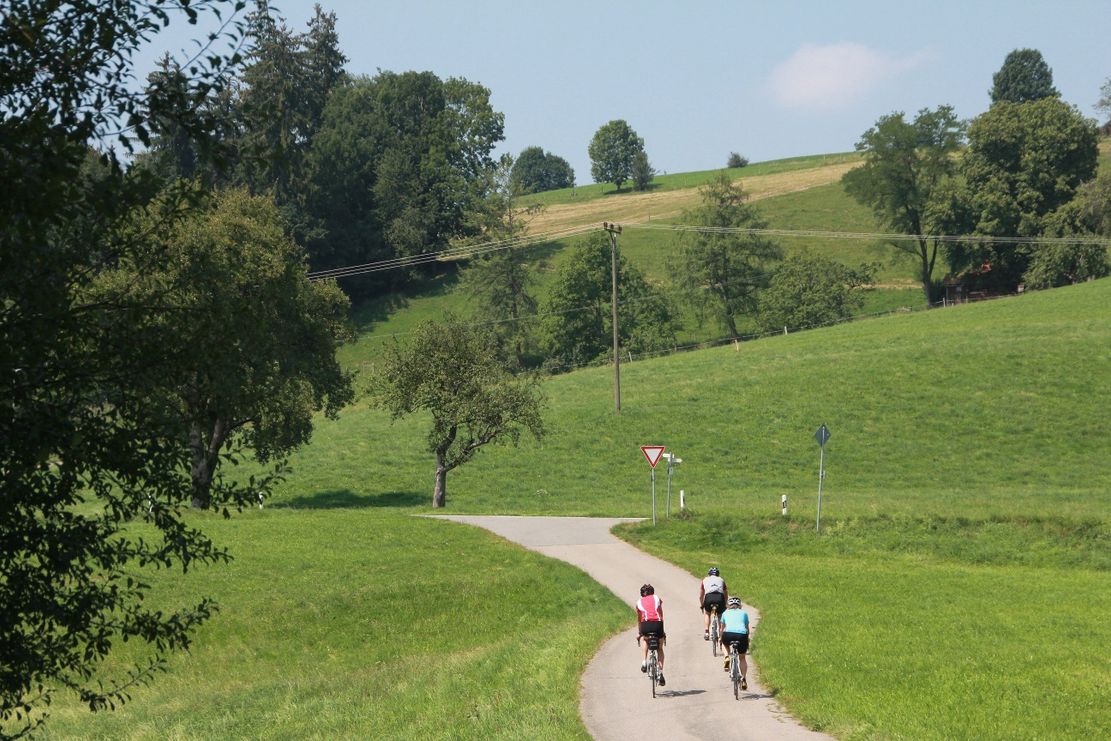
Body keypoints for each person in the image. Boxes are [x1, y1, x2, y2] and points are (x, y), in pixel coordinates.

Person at [635, 583, 666, 687]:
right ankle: (660, 673)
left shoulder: (639, 602)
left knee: (645, 639)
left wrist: (640, 633)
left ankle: (644, 661)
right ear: (652, 592)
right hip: (658, 624)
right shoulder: (657, 598)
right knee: (660, 648)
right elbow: (661, 614)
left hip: (645, 625)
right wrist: (662, 631)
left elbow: (639, 619)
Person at [719, 596, 751, 690]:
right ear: (740, 605)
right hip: (741, 635)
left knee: (724, 643)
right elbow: (747, 629)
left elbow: (721, 629)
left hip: (728, 634)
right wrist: (747, 639)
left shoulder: (725, 613)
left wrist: (720, 638)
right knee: (742, 658)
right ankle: (744, 679)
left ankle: (726, 657)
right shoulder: (744, 613)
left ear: (729, 606)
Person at [699, 567, 728, 640]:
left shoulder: (705, 580)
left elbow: (701, 596)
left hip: (709, 597)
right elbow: (725, 593)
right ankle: (721, 634)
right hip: (719, 597)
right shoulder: (721, 580)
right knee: (720, 615)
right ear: (718, 574)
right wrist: (725, 603)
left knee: (707, 613)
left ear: (709, 574)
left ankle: (707, 632)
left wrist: (702, 605)